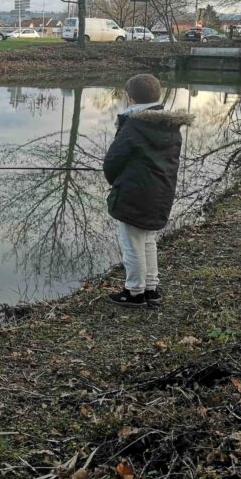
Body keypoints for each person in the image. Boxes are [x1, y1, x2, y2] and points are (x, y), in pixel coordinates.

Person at [103, 74, 194, 307]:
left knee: (132, 243)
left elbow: (113, 161)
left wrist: (116, 182)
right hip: (161, 192)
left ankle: (134, 292)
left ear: (130, 97)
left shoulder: (134, 124)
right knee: (148, 240)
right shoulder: (170, 126)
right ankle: (151, 288)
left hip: (134, 194)